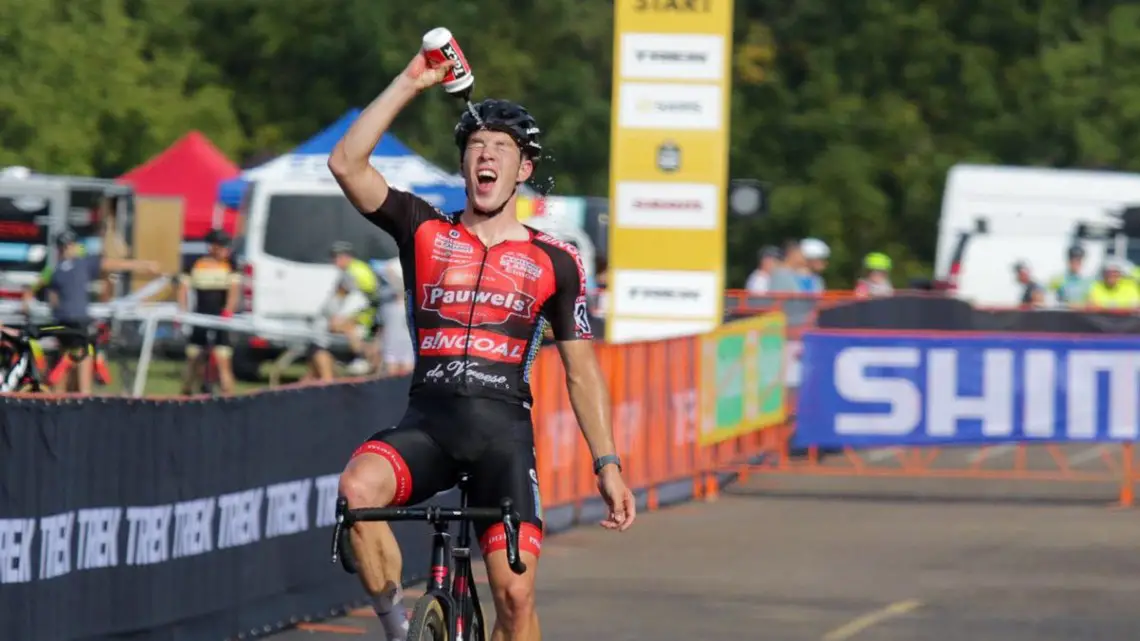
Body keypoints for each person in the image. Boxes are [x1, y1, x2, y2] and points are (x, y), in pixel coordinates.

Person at [328, 52, 635, 641]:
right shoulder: (423, 229)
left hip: (503, 439)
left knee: (516, 598)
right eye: (475, 146)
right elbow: (346, 162)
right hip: (430, 425)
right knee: (356, 490)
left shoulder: (556, 259)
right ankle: (400, 629)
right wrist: (412, 82)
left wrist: (608, 464)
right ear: (464, 164)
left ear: (524, 168)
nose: (486, 155)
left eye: (500, 147)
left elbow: (581, 373)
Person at [23, 229, 157, 393]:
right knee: (83, 358)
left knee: (64, 359)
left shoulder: (53, 270)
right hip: (79, 320)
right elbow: (114, 264)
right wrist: (145, 265)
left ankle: (58, 397)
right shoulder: (83, 263)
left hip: (61, 321)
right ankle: (84, 395)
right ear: (71, 246)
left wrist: (27, 302)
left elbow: (37, 290)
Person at [177, 229, 240, 395]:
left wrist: (228, 311)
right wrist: (182, 312)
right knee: (193, 359)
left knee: (223, 360)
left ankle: (229, 397)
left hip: (220, 319)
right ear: (212, 247)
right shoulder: (195, 264)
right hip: (199, 317)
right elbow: (183, 289)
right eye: (222, 247)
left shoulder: (230, 264)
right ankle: (188, 393)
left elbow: (234, 291)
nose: (226, 251)